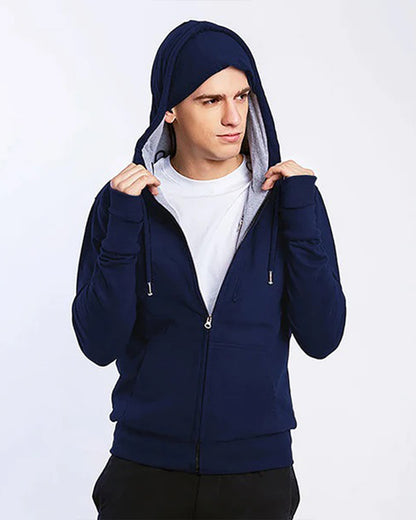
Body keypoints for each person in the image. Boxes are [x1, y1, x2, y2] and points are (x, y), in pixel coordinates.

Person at [71, 19, 347, 520]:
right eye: (210, 100)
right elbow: (98, 343)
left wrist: (301, 215)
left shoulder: (287, 201)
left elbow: (322, 336)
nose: (232, 116)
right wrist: (124, 225)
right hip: (144, 474)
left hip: (256, 477)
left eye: (242, 96)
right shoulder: (124, 203)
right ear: (170, 109)